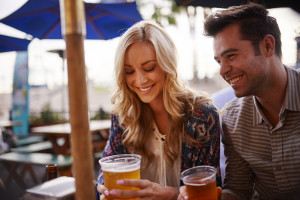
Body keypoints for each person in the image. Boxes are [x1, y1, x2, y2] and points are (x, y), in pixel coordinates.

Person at [178, 3, 300, 200]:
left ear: (267, 46)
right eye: (219, 61)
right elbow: (238, 190)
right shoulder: (232, 118)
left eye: (231, 56)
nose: (223, 70)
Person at [95, 20, 222, 200]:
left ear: (167, 65)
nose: (139, 80)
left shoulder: (201, 115)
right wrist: (105, 190)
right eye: (129, 71)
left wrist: (166, 194)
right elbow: (107, 165)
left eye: (149, 68)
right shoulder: (123, 115)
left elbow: (209, 192)